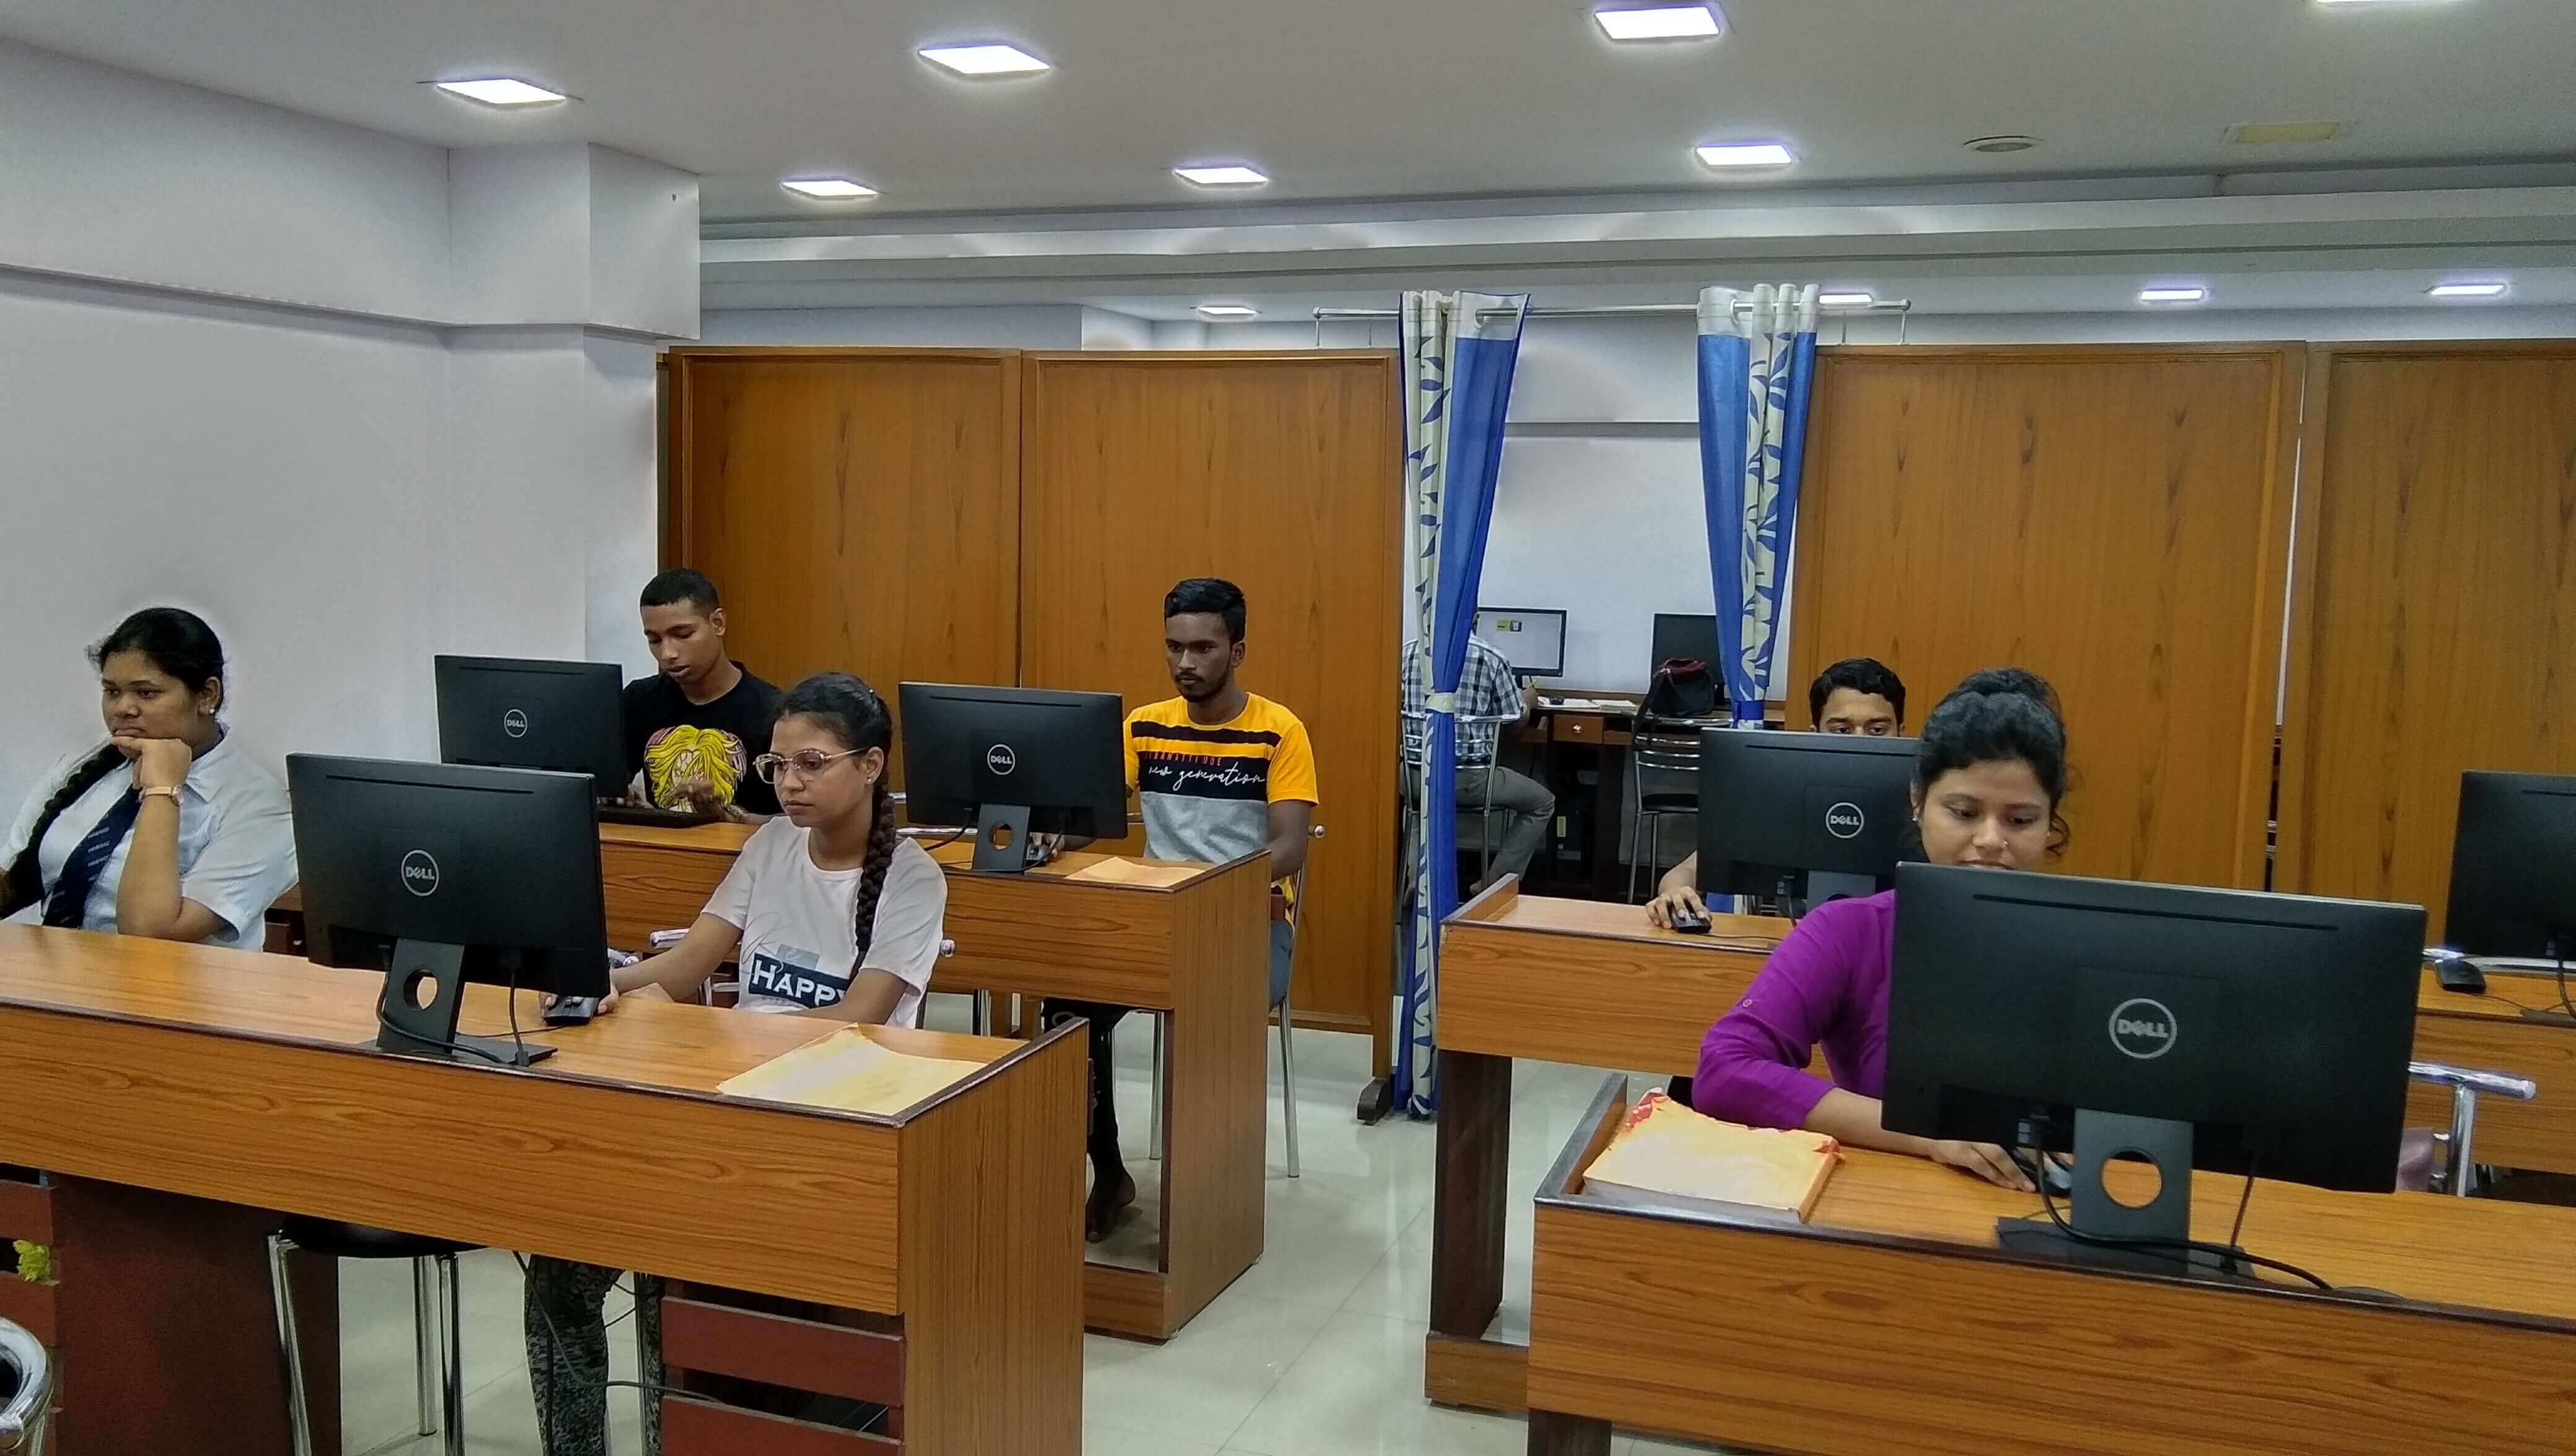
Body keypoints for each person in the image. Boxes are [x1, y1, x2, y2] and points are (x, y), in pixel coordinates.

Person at [524, 672, 946, 1456]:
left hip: (828, 1133)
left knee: (672, 1284)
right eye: (777, 765)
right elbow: (682, 969)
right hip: (727, 1107)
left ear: (871, 765)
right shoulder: (769, 843)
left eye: (811, 764)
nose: (789, 784)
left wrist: (708, 1041)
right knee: (559, 1273)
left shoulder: (914, 877)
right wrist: (592, 986)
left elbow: (854, 1024)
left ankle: (679, 1434)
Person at [1689, 668, 2069, 1190]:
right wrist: (1929, 1137)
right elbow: (1725, 1072)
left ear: (2051, 822)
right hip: (1897, 1208)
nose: (1989, 839)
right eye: (1963, 812)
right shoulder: (1851, 932)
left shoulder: (2092, 943)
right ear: (1919, 802)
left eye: (2021, 820)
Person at [1049, 578, 1318, 1242]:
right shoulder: (1144, 725)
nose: (1184, 664)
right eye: (1174, 648)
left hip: (1249, 926)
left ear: (1237, 651)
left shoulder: (1278, 730)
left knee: (1205, 1009)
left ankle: (1206, 1193)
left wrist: (1217, 887)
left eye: (1202, 648)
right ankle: (1109, 1173)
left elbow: (1288, 848)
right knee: (1066, 1009)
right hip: (1153, 921)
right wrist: (1054, 827)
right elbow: (1100, 818)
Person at [2, 607, 294, 948]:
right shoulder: (87, 764)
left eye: (146, 693)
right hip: (56, 980)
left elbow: (149, 934)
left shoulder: (261, 805)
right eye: (112, 692)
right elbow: (15, 879)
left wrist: (161, 790)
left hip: (175, 995)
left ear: (207, 695)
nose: (123, 709)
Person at [1646, 656, 1908, 928]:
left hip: (1897, 948)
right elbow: (1688, 871)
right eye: (1842, 730)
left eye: (1877, 730)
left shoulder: (1927, 806)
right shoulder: (1783, 795)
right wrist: (1676, 895)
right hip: (1798, 945)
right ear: (1815, 733)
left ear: (1901, 733)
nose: (1859, 743)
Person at [622, 568, 783, 819]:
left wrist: (729, 818)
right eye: (654, 640)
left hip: (744, 854)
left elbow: (800, 827)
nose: (668, 654)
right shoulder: (638, 700)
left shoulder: (774, 711)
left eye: (683, 635)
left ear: (718, 623)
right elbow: (606, 786)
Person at [1401, 631, 1554, 888]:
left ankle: (1416, 881)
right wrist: (1527, 700)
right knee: (1542, 802)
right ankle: (1495, 885)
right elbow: (1515, 721)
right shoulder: (1490, 656)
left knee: (1419, 805)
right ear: (1474, 618)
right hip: (1468, 780)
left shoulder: (1407, 652)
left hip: (1413, 776)